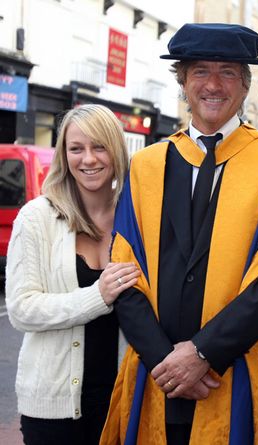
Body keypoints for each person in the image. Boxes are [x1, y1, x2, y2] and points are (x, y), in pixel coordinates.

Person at [99, 23, 258, 445]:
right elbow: (125, 271)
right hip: (156, 376)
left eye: (228, 72)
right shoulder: (148, 164)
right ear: (182, 81)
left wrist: (202, 354)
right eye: (200, 71)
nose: (213, 85)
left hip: (234, 373)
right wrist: (166, 363)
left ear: (247, 84)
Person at [5, 104, 138, 445]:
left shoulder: (133, 218)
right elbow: (21, 308)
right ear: (64, 156)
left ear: (116, 151)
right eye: (76, 149)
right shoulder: (37, 218)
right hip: (51, 409)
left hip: (115, 400)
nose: (88, 159)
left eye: (99, 147)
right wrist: (98, 296)